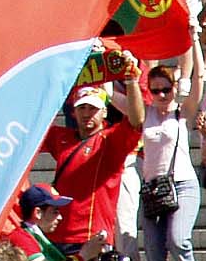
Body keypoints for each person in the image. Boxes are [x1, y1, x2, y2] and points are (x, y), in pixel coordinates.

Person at [42, 81, 146, 249]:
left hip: (92, 239)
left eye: (93, 109)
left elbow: (137, 120)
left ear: (104, 112)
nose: (87, 113)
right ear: (73, 113)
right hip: (56, 235)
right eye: (82, 108)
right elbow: (29, 131)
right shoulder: (61, 138)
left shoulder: (112, 140)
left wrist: (131, 81)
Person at [137, 60, 205, 261]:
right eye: (155, 90)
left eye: (166, 89)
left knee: (177, 239)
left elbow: (199, 79)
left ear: (174, 88)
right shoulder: (145, 113)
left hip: (182, 184)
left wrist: (195, 37)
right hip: (153, 188)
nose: (162, 95)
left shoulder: (181, 112)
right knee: (154, 248)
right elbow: (113, 97)